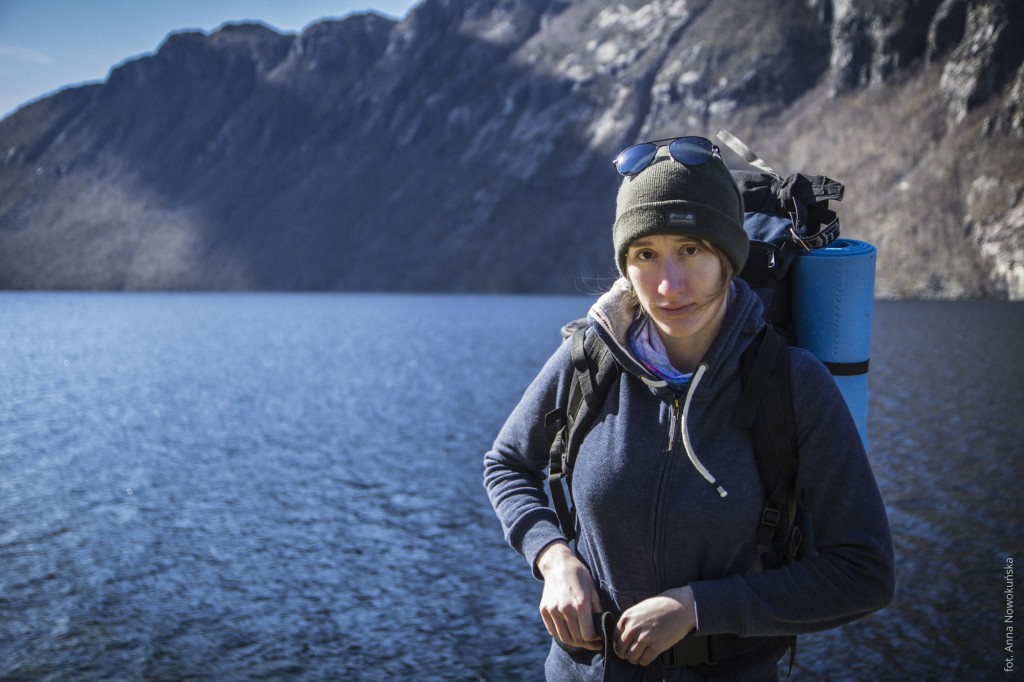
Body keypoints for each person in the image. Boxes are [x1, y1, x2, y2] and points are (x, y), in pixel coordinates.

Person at [482, 136, 895, 681]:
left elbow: (864, 573)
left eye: (692, 249)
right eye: (645, 254)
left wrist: (698, 608)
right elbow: (507, 463)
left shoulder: (791, 385)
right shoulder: (588, 358)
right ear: (625, 265)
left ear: (728, 256)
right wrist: (552, 556)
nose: (669, 286)